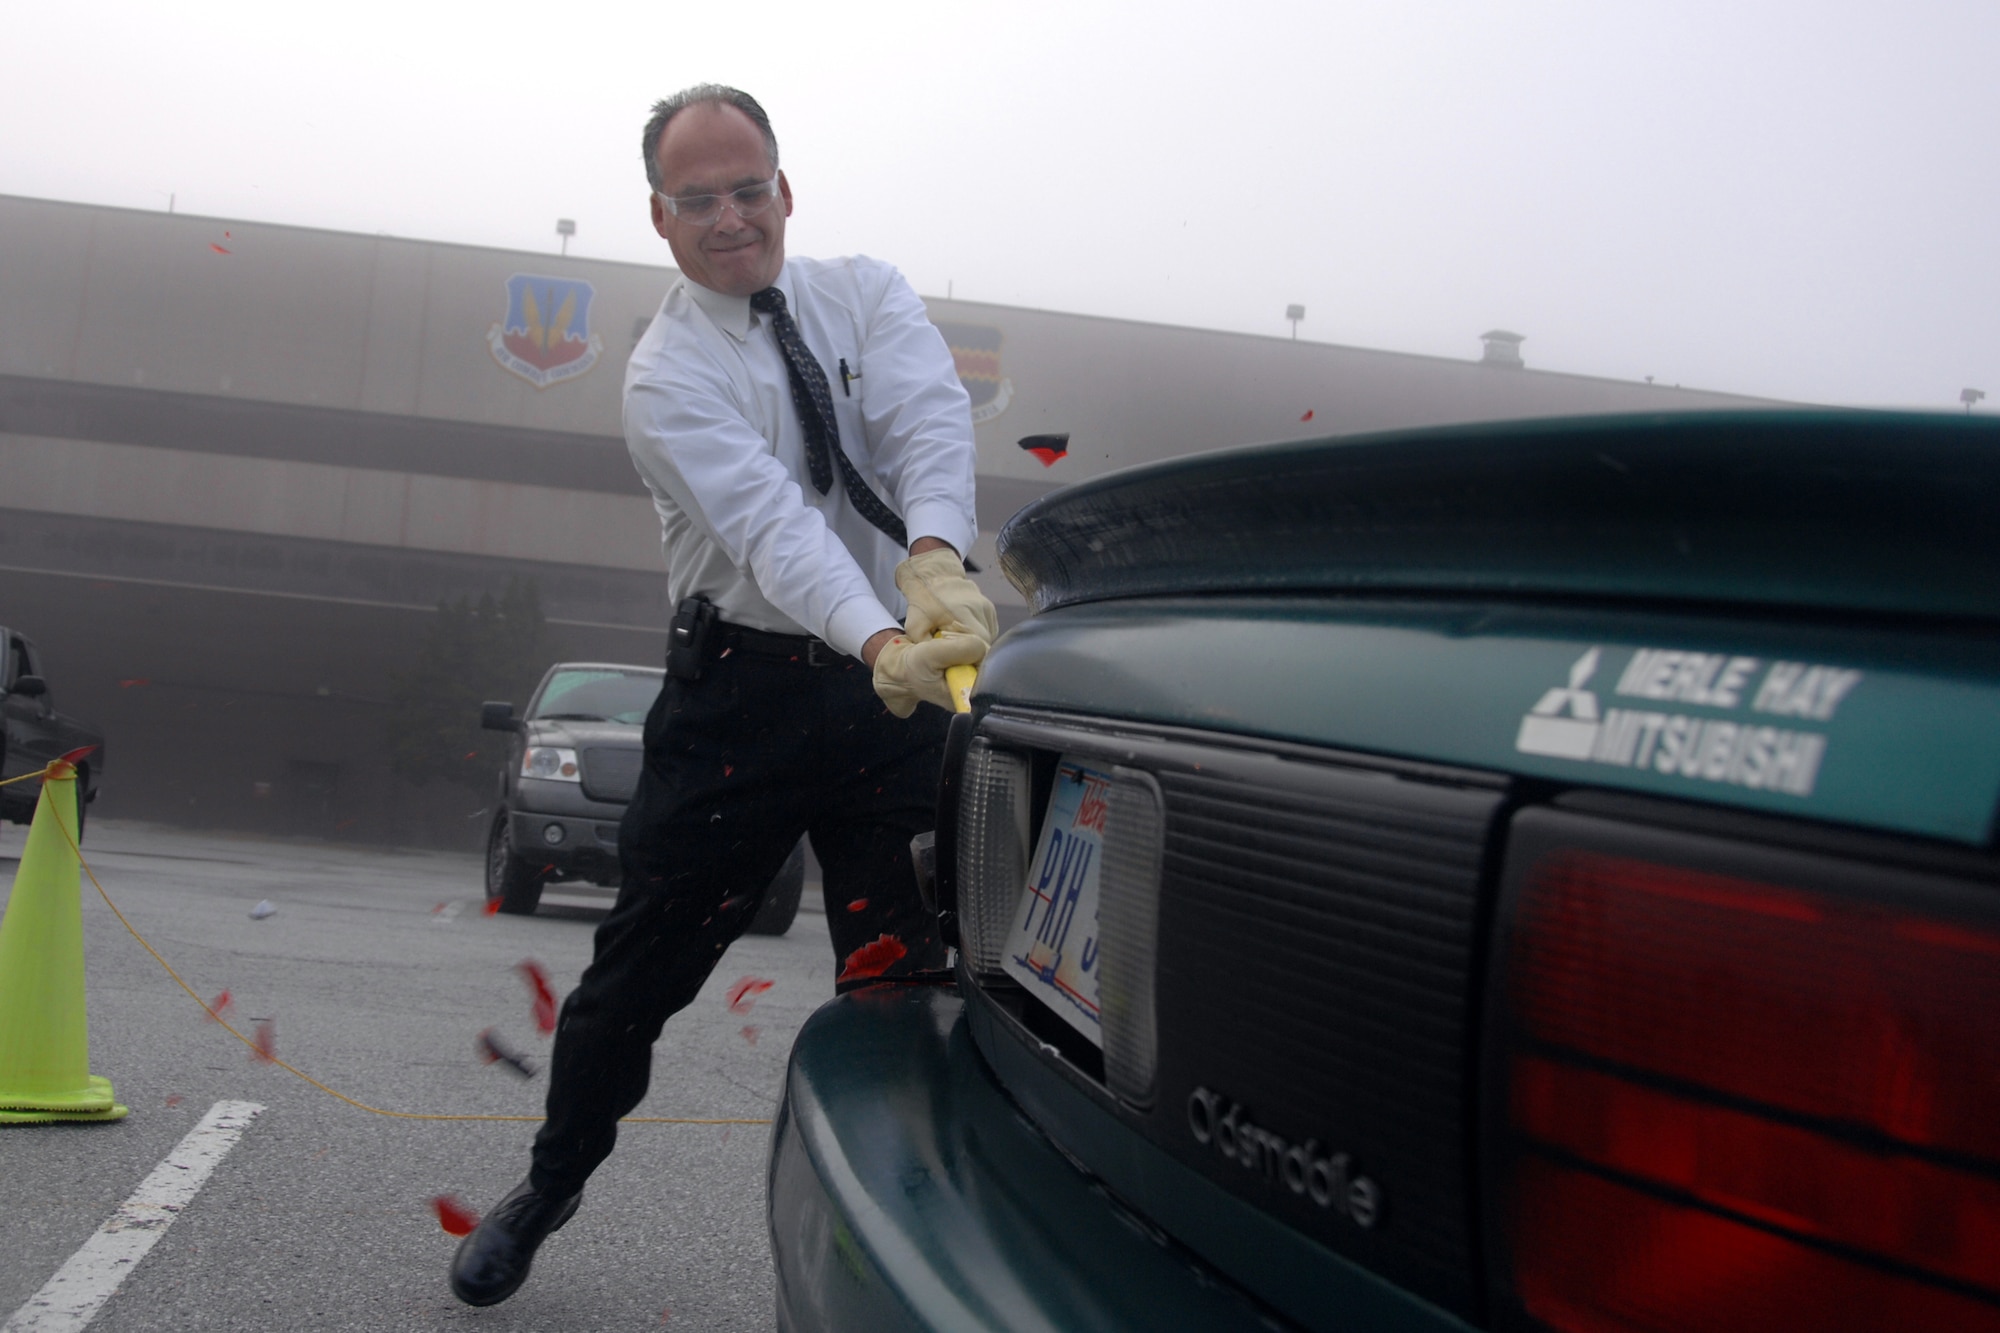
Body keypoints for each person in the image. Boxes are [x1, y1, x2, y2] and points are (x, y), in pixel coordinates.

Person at [449, 84, 996, 1307]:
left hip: (881, 714)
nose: (729, 217)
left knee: (908, 977)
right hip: (738, 700)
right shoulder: (663, 376)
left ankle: (904, 1242)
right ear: (659, 216)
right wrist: (880, 634)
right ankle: (551, 1180)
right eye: (698, 200)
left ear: (783, 189)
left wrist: (937, 558)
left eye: (747, 189)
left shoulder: (867, 292)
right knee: (632, 980)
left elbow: (924, 421)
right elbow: (770, 532)